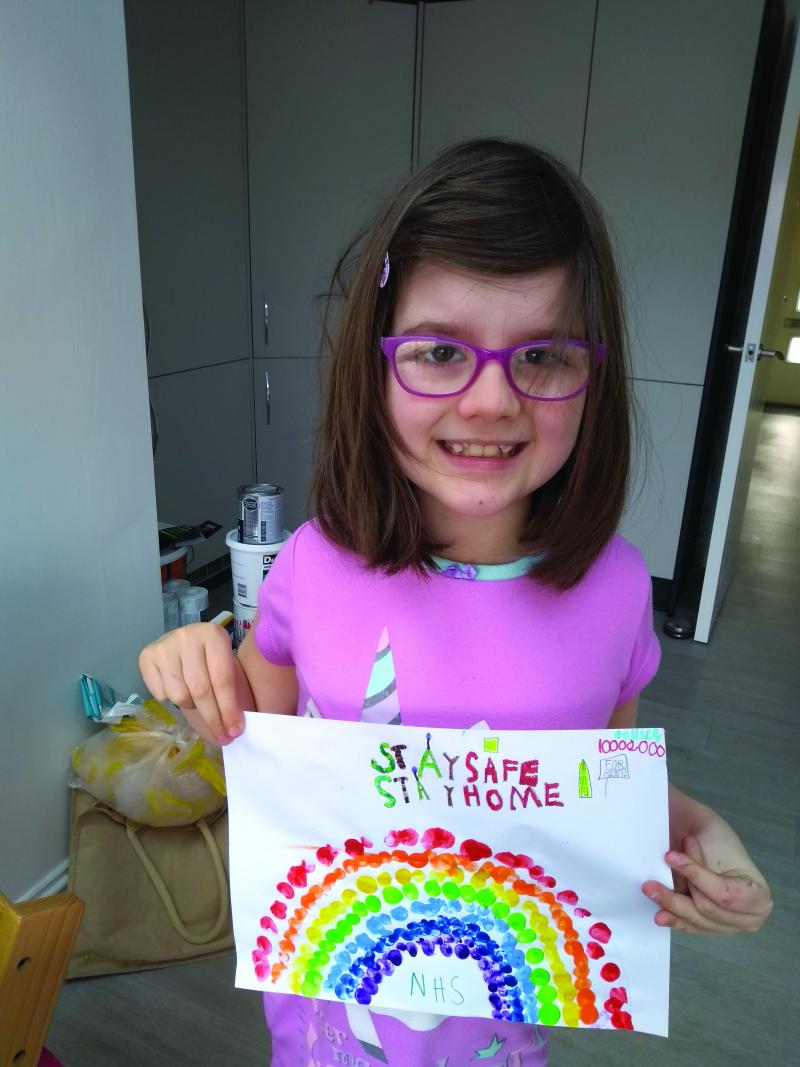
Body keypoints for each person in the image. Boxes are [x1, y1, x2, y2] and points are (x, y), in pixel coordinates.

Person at [140, 138, 771, 1066]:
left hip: (504, 1039)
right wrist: (188, 666)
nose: (488, 400)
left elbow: (595, 789)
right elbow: (250, 742)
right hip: (319, 1036)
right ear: (376, 362)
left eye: (545, 355)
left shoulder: (617, 591)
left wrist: (701, 832)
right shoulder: (312, 566)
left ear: (593, 373)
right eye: (439, 351)